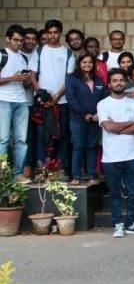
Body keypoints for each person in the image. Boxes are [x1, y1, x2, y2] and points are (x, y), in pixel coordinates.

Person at [97, 68, 134, 238]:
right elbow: (108, 127)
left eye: (121, 80)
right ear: (109, 84)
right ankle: (118, 224)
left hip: (133, 154)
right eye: (115, 80)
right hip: (111, 156)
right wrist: (129, 123)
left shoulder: (133, 103)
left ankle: (133, 222)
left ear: (126, 82)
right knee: (115, 193)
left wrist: (117, 127)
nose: (119, 83)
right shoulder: (103, 104)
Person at [35, 19, 75, 179]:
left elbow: (69, 78)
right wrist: (41, 94)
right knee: (41, 136)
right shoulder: (39, 52)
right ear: (46, 33)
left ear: (60, 33)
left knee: (62, 135)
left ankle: (61, 168)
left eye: (55, 32)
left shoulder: (68, 53)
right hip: (43, 103)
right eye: (49, 33)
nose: (52, 35)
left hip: (62, 102)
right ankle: (42, 169)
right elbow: (32, 75)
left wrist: (57, 96)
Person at [65, 54, 107, 184]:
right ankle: (76, 175)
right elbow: (71, 99)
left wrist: (98, 114)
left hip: (95, 120)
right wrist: (84, 114)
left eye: (90, 62)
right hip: (78, 119)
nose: (87, 64)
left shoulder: (98, 80)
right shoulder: (72, 78)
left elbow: (104, 97)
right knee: (79, 146)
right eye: (84, 62)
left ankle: (91, 175)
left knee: (92, 147)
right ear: (79, 64)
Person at [0, 25, 35, 182]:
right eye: (15, 40)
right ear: (7, 39)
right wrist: (12, 78)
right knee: (3, 139)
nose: (19, 43)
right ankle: (2, 175)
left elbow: (25, 85)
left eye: (21, 40)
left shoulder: (24, 58)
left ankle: (18, 174)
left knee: (21, 140)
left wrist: (26, 80)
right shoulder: (2, 55)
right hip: (3, 100)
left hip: (21, 101)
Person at [20, 27, 39, 178]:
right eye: (27, 38)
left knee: (33, 136)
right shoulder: (17, 55)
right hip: (19, 101)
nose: (30, 41)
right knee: (22, 137)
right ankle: (23, 167)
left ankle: (32, 166)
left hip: (34, 102)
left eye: (33, 39)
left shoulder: (38, 55)